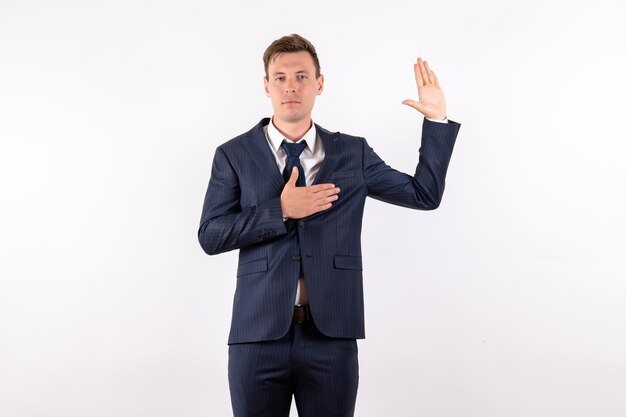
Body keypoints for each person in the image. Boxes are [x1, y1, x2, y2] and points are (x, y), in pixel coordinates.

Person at [198, 33, 460, 417]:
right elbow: (210, 234)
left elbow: (424, 194)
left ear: (319, 83)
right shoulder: (233, 154)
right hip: (256, 337)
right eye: (281, 77)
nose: (292, 86)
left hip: (331, 337)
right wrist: (281, 210)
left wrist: (436, 120)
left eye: (302, 76)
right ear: (266, 85)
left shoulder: (352, 152)